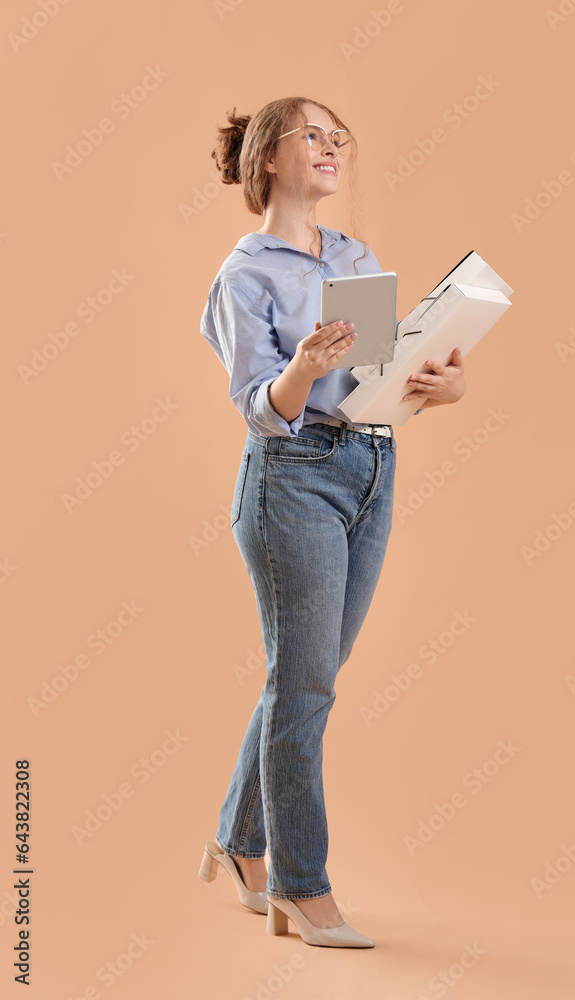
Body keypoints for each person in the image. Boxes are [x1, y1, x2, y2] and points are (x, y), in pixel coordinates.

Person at [197, 96, 466, 948]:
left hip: (371, 466)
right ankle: (299, 888)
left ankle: (240, 842)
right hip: (292, 479)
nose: (329, 147)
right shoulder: (245, 275)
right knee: (306, 685)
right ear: (267, 160)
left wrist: (439, 385)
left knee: (302, 680)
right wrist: (301, 368)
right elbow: (260, 407)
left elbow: (374, 383)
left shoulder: (353, 255)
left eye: (336, 136)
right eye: (310, 134)